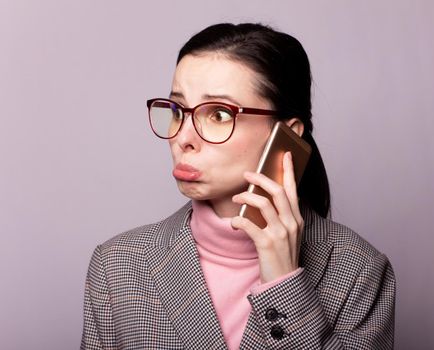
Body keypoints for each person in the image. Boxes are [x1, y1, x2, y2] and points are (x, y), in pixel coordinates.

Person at [81, 23, 396, 350]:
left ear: (286, 134)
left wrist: (282, 282)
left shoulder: (359, 270)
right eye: (177, 110)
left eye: (218, 114)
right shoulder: (117, 266)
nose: (183, 138)